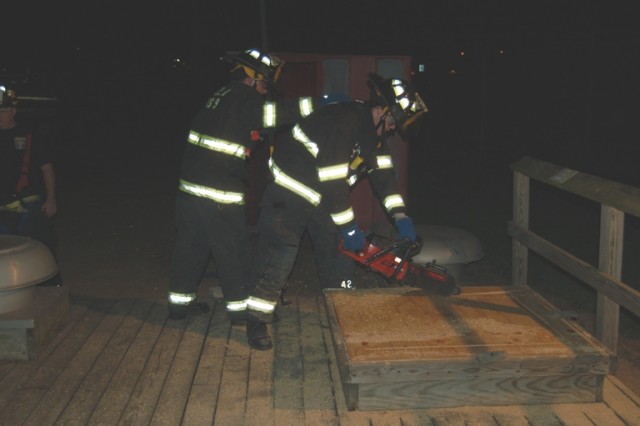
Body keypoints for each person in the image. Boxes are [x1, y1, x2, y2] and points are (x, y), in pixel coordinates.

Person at [167, 48, 320, 351]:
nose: (265, 92)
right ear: (253, 78)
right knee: (234, 250)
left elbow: (229, 131)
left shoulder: (220, 95)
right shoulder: (245, 96)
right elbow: (273, 115)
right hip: (218, 193)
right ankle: (241, 313)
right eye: (265, 86)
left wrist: (247, 137)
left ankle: (179, 306)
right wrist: (315, 104)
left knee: (191, 247)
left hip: (190, 191)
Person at [247, 73, 428, 323]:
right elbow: (332, 179)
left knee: (340, 255)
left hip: (323, 199)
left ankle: (342, 310)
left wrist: (402, 219)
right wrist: (349, 227)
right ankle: (256, 319)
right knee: (280, 255)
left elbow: (385, 181)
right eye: (393, 121)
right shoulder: (344, 120)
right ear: (382, 110)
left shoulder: (374, 140)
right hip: (289, 193)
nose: (393, 128)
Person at [0, 84, 61, 286]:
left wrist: (51, 199)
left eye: (3, 110)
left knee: (42, 254)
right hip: (2, 210)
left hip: (29, 207)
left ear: (13, 111)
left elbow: (47, 168)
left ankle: (53, 293)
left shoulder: (29, 135)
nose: (0, 115)